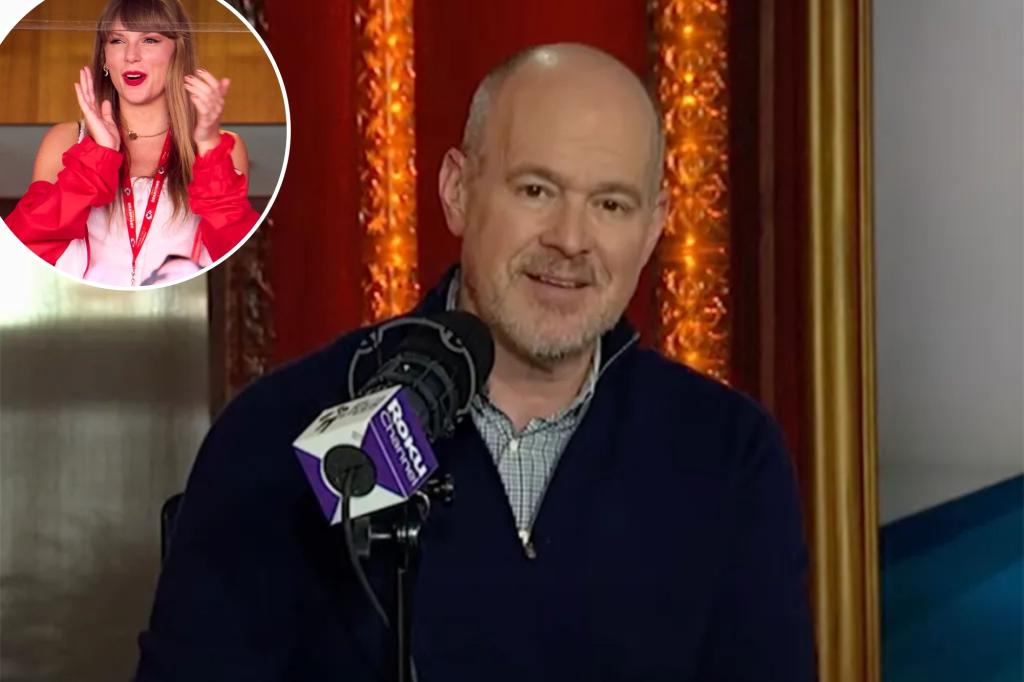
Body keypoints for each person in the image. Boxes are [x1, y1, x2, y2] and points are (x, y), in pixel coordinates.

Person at [136, 44, 816, 680]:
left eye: (610, 204)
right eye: (536, 191)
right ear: (458, 191)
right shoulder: (283, 428)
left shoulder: (727, 453)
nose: (571, 239)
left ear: (653, 227)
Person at [4, 0, 259, 287]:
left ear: (178, 53)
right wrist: (98, 155)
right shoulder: (65, 140)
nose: (131, 56)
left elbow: (237, 256)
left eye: (149, 40)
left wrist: (208, 145)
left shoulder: (219, 146)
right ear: (104, 56)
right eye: (117, 40)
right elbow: (22, 250)